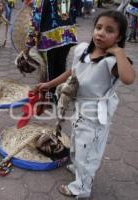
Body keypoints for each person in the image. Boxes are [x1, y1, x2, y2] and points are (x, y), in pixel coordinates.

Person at [35, 10, 135, 198]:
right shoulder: (82, 50)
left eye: (109, 30)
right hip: (80, 109)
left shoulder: (112, 61)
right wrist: (49, 84)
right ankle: (78, 167)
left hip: (96, 115)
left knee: (88, 151)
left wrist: (120, 52)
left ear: (119, 36)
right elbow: (73, 73)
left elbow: (129, 79)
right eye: (98, 27)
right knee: (76, 142)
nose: (101, 33)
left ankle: (81, 188)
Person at [21, 0, 78, 99]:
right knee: (61, 66)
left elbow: (36, 21)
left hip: (49, 39)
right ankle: (59, 94)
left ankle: (50, 95)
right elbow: (72, 12)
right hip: (66, 35)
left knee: (49, 69)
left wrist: (29, 45)